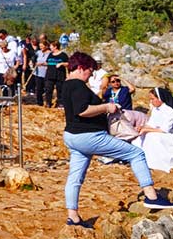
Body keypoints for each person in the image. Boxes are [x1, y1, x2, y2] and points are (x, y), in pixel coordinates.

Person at [61, 52, 173, 226]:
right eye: (90, 71)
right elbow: (82, 110)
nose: (91, 75)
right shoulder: (78, 85)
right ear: (81, 68)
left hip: (72, 136)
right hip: (90, 136)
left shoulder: (66, 85)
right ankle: (151, 195)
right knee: (136, 154)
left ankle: (73, 216)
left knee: (75, 177)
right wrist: (107, 107)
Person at [132, 88, 173, 172]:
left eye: (153, 99)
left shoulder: (169, 111)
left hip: (168, 136)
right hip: (156, 132)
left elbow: (165, 130)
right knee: (137, 139)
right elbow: (151, 124)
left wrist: (146, 129)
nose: (151, 102)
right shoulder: (155, 109)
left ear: (160, 98)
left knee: (152, 137)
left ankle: (156, 163)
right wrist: (142, 127)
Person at [43, 41, 69, 108]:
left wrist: (61, 64)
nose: (50, 47)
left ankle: (60, 103)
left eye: (51, 46)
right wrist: (42, 64)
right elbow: (47, 62)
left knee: (60, 90)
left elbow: (68, 63)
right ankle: (48, 103)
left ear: (55, 47)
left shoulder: (63, 55)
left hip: (59, 75)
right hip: (50, 75)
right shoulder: (50, 54)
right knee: (48, 89)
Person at [32, 37, 50, 106]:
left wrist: (42, 64)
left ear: (46, 46)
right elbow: (34, 59)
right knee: (38, 88)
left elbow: (50, 63)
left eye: (42, 46)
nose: (41, 48)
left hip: (46, 73)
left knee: (48, 89)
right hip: (38, 73)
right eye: (40, 46)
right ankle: (39, 102)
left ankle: (48, 102)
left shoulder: (50, 54)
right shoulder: (38, 52)